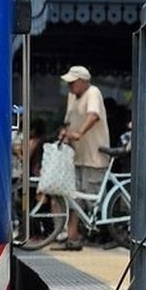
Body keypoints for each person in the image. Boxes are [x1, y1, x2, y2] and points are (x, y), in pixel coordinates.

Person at [54, 65, 110, 251]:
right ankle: (72, 235)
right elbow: (68, 120)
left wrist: (79, 133)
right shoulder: (72, 96)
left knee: (91, 197)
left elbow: (93, 115)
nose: (70, 86)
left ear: (84, 82)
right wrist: (65, 133)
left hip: (94, 155)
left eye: (73, 82)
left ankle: (104, 232)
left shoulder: (93, 92)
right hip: (77, 155)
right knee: (75, 198)